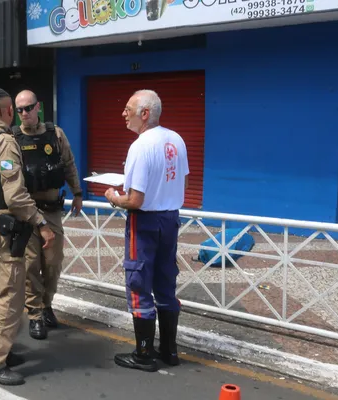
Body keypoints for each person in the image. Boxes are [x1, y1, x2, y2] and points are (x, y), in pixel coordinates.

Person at [0, 87, 55, 386]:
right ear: (6, 111)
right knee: (9, 298)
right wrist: (41, 221)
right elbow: (16, 196)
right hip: (5, 232)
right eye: (13, 111)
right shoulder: (4, 142)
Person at [104, 89, 188, 372]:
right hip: (170, 219)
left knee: (138, 284)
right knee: (166, 283)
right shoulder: (176, 140)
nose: (123, 113)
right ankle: (169, 351)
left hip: (144, 223)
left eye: (128, 109)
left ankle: (143, 354)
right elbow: (181, 185)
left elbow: (135, 200)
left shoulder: (140, 145)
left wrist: (114, 198)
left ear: (144, 114)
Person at [11, 90, 83, 340]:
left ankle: (46, 303)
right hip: (27, 211)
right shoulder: (13, 138)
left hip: (52, 210)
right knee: (31, 264)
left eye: (28, 108)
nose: (24, 114)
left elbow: (70, 163)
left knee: (53, 262)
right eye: (19, 110)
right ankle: (35, 314)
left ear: (38, 107)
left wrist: (77, 192)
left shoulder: (56, 133)